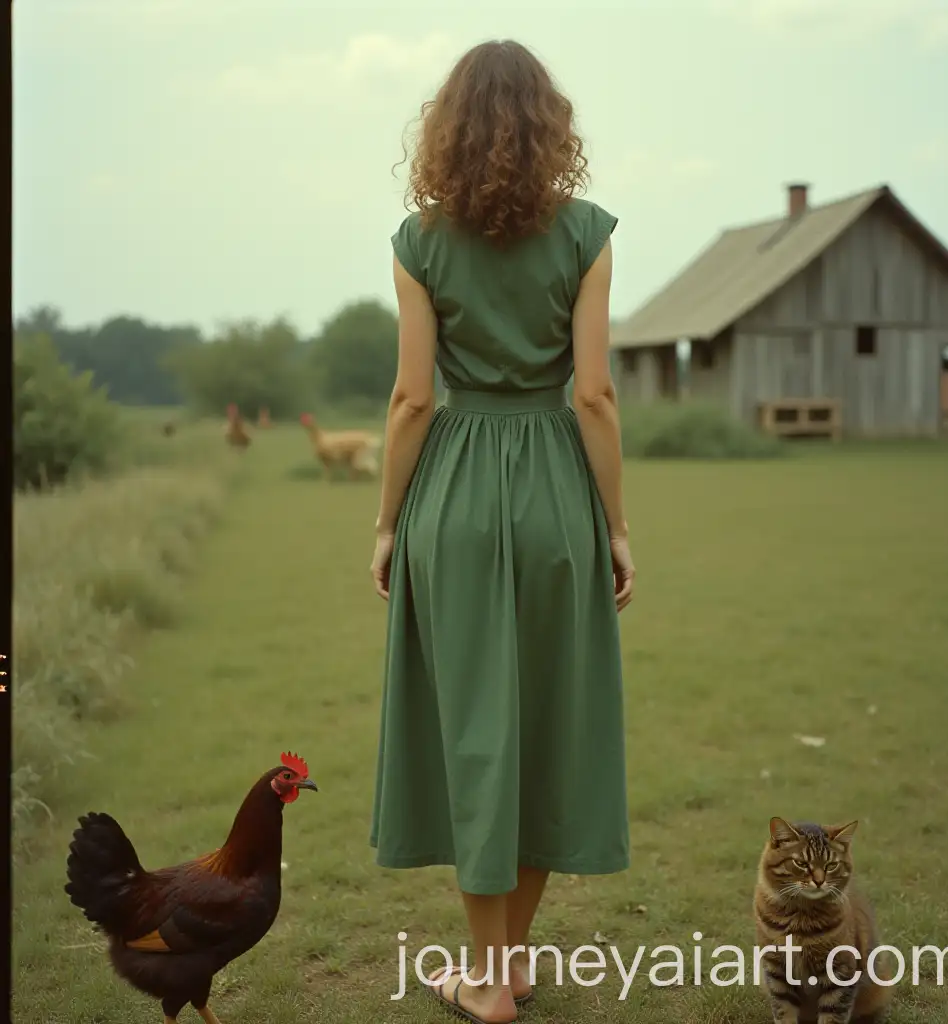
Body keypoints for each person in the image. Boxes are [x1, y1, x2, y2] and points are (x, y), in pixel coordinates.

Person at [368, 38, 635, 1024]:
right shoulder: (589, 236)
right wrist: (615, 527)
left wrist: (388, 524)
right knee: (544, 728)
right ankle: (506, 965)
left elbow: (407, 399)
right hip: (557, 493)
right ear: (548, 128)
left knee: (478, 733)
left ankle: (488, 977)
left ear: (445, 132)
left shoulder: (418, 242)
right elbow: (596, 394)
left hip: (454, 499)